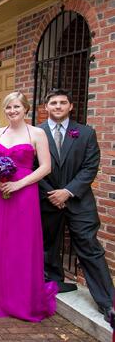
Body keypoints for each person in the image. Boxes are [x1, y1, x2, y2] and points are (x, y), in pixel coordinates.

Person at [0, 91, 56, 322]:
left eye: (17, 107)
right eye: (9, 107)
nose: (12, 111)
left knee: (20, 244)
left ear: (26, 109)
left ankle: (19, 299)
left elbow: (45, 167)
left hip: (24, 194)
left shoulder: (37, 133)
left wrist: (19, 184)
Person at [39, 89, 114, 318]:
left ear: (71, 106)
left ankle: (108, 301)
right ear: (46, 107)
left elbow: (90, 166)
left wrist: (68, 192)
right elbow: (32, 167)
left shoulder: (85, 133)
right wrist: (52, 193)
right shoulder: (36, 132)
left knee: (89, 248)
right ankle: (54, 281)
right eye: (53, 103)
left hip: (79, 201)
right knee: (48, 246)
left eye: (63, 102)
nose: (58, 106)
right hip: (47, 199)